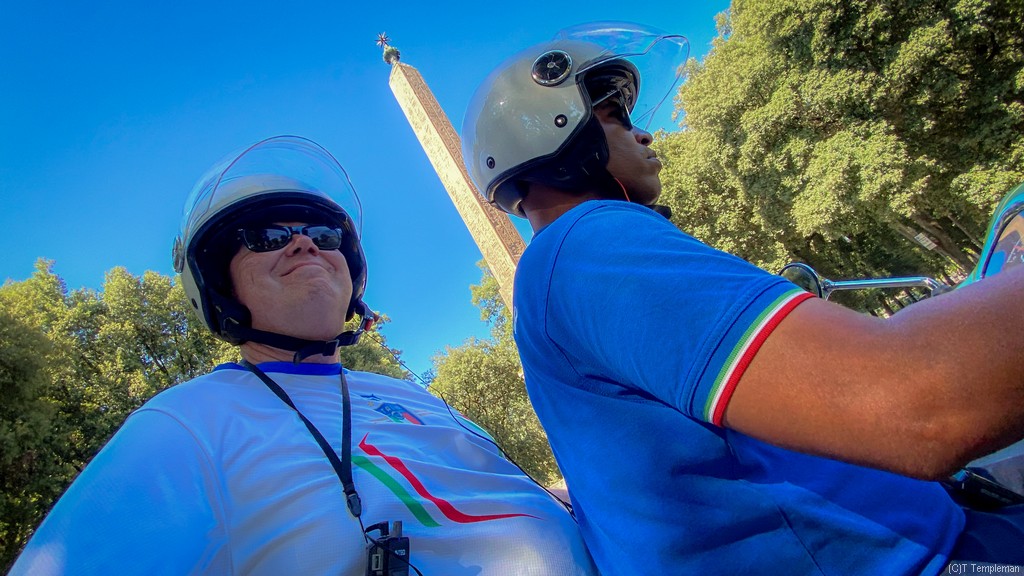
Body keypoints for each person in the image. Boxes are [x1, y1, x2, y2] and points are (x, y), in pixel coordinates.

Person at [460, 21, 1024, 575]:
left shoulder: (556, 272)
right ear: (556, 134)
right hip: (924, 557)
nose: (644, 134)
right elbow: (915, 402)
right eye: (612, 117)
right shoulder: (590, 245)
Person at [10, 135, 597, 575]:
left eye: (324, 235)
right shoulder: (188, 422)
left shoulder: (414, 396)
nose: (302, 243)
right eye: (267, 236)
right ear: (217, 288)